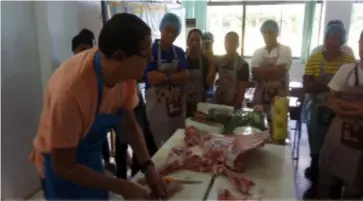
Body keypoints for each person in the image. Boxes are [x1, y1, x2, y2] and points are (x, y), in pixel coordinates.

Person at [28, 13, 166, 200]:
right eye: (145, 54)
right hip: (59, 166)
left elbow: (128, 124)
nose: (150, 59)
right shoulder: (71, 92)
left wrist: (149, 167)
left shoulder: (126, 76)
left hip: (89, 156)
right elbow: (64, 166)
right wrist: (121, 186)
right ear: (119, 57)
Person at [302, 24, 356, 199]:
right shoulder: (315, 58)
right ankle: (315, 186)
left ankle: (335, 190)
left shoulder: (348, 61)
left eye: (336, 39)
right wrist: (333, 85)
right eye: (329, 38)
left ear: (342, 42)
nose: (332, 42)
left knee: (338, 152)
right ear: (324, 40)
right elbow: (307, 86)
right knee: (316, 151)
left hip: (342, 113)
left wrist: (321, 84)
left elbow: (348, 89)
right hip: (317, 111)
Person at [318, 30, 363, 199]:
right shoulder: (347, 69)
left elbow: (337, 100)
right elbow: (330, 99)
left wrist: (343, 105)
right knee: (328, 181)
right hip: (338, 134)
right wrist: (356, 107)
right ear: (359, 43)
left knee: (354, 188)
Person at [251, 20, 292, 121]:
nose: (267, 36)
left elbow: (279, 72)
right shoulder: (258, 52)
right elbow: (255, 74)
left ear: (277, 33)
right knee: (258, 127)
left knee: (277, 130)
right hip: (260, 98)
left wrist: (262, 69)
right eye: (265, 33)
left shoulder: (285, 50)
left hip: (279, 99)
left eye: (270, 32)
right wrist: (273, 69)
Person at [213, 31, 249, 109]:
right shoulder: (219, 61)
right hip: (219, 101)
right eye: (227, 42)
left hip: (234, 103)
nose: (229, 45)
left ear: (238, 44)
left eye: (232, 42)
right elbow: (210, 81)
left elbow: (241, 93)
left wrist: (234, 108)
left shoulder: (243, 65)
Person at [185, 29, 216, 117]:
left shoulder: (206, 62)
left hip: (200, 105)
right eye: (192, 40)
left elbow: (209, 83)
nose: (194, 43)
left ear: (202, 43)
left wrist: (212, 62)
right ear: (187, 42)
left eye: (198, 40)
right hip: (182, 105)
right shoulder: (181, 58)